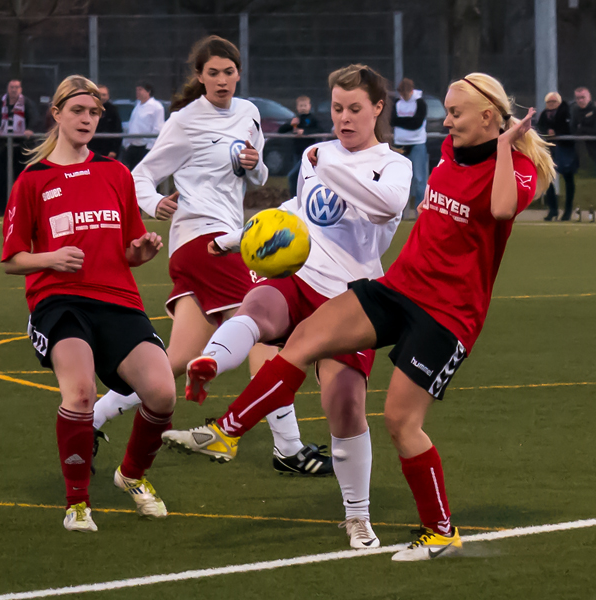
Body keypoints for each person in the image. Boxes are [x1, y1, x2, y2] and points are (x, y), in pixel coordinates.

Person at [166, 72, 553, 561]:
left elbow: (500, 210)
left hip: (448, 316)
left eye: (455, 113)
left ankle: (441, 532)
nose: (446, 121)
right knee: (304, 338)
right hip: (399, 289)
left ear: (489, 118)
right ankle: (227, 431)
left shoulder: (516, 166)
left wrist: (503, 148)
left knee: (400, 422)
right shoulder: (450, 153)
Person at [165, 64, 412, 548]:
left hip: (352, 296)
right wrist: (233, 239)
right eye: (337, 108)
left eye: (355, 109)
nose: (344, 118)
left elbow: (385, 206)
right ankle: (212, 361)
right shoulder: (316, 155)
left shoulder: (393, 164)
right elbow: (297, 209)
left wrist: (330, 165)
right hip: (303, 276)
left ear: (378, 109)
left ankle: (357, 516)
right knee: (256, 307)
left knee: (344, 407)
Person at [93, 35, 326, 475]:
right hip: (206, 241)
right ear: (199, 77)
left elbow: (256, 177)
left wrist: (255, 163)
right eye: (213, 73)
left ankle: (92, 416)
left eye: (229, 72)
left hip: (211, 242)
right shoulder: (185, 121)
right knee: (266, 334)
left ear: (239, 73)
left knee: (175, 361)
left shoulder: (249, 113)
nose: (222, 80)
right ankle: (290, 449)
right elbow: (138, 175)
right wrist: (153, 202)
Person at [1, 74, 176, 533]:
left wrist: (142, 251)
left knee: (162, 392)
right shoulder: (33, 181)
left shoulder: (115, 173)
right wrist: (51, 258)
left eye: (94, 112)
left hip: (117, 299)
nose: (87, 119)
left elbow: (127, 250)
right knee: (80, 395)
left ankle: (132, 475)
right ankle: (76, 502)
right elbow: (13, 259)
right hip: (60, 302)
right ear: (57, 114)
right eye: (78, 110)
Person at [0, 79, 39, 217]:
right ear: (7, 88)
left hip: (22, 147)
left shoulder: (26, 103)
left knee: (22, 180)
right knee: (2, 179)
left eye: (17, 87)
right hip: (4, 146)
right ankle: (0, 209)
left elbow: (34, 117)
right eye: (11, 87)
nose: (14, 90)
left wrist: (30, 129)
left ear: (21, 89)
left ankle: (23, 210)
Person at [536, 92, 578, 221]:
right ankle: (553, 209)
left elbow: (570, 128)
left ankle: (567, 210)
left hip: (565, 149)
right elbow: (540, 127)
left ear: (559, 102)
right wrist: (547, 131)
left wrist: (557, 133)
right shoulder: (544, 114)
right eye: (549, 102)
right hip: (551, 150)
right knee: (548, 179)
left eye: (553, 102)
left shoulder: (566, 112)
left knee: (568, 179)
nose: (551, 104)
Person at [391, 78, 428, 220]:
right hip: (400, 144)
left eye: (406, 93)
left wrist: (401, 122)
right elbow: (392, 120)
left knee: (419, 179)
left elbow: (417, 123)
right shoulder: (397, 103)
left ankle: (420, 212)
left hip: (417, 143)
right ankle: (398, 213)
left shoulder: (420, 103)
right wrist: (407, 121)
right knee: (399, 179)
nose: (404, 96)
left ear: (411, 91)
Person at [278, 95, 323, 196]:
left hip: (307, 153)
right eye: (300, 105)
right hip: (296, 153)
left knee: (292, 177)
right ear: (297, 107)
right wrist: (290, 124)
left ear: (309, 106)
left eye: (305, 105)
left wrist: (305, 132)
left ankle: (295, 197)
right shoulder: (296, 119)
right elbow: (280, 130)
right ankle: (298, 199)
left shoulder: (312, 119)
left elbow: (320, 130)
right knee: (299, 178)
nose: (303, 107)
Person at [121, 82, 165, 171]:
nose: (137, 92)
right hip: (133, 145)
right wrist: (127, 143)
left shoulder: (156, 107)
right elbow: (132, 124)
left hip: (145, 147)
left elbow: (158, 127)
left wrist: (150, 147)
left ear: (148, 91)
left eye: (140, 90)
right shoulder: (137, 105)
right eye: (137, 90)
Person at [89, 84, 123, 158]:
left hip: (107, 150)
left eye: (104, 95)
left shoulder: (113, 110)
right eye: (100, 95)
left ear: (108, 96)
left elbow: (118, 131)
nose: (102, 97)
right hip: (91, 149)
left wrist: (114, 150)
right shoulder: (88, 109)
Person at [571, 87, 596, 163]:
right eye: (577, 98)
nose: (580, 100)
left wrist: (581, 128)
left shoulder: (594, 109)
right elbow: (573, 128)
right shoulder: (575, 110)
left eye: (583, 97)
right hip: (590, 145)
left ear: (589, 97)